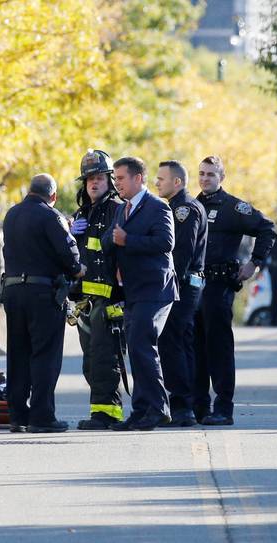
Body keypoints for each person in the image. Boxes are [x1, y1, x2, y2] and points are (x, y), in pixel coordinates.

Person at [193, 156, 276, 426]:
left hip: (218, 285)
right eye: (202, 174)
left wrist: (254, 262)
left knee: (218, 347)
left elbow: (267, 229)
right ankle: (199, 406)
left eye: (211, 174)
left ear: (222, 177)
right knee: (195, 348)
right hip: (192, 287)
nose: (205, 178)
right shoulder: (192, 206)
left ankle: (223, 408)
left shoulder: (233, 207)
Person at [0, 173, 86, 433]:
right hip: (42, 293)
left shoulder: (11, 215)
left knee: (18, 354)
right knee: (45, 355)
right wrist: (77, 269)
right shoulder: (52, 216)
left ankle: (17, 415)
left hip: (13, 292)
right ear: (53, 196)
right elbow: (68, 254)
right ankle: (42, 417)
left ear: (29, 190)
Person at [101, 156, 177, 431]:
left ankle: (157, 408)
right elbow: (108, 238)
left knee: (143, 346)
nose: (116, 184)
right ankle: (142, 410)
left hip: (155, 289)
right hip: (132, 291)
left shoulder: (158, 207)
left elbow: (166, 243)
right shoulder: (123, 210)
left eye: (120, 178)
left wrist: (127, 240)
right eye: (116, 179)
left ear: (138, 178)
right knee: (136, 348)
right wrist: (113, 240)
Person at [69, 150, 127, 430]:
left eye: (99, 178)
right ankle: (101, 410)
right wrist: (70, 233)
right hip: (85, 302)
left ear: (109, 180)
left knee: (105, 359)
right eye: (89, 178)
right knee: (91, 362)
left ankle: (107, 414)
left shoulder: (118, 209)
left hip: (109, 300)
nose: (94, 183)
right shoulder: (81, 214)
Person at [154, 161, 207, 427]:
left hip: (182, 285)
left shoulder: (183, 209)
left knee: (173, 342)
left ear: (177, 182)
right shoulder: (175, 207)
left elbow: (181, 253)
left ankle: (183, 405)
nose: (157, 183)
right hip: (184, 284)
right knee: (181, 343)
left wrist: (169, 282)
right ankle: (190, 404)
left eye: (161, 179)